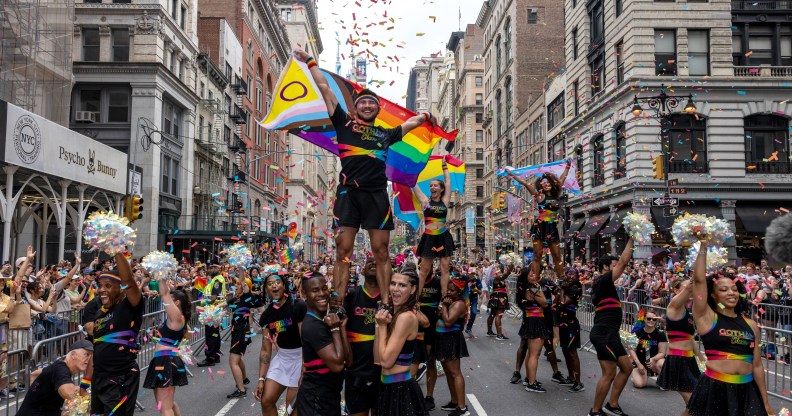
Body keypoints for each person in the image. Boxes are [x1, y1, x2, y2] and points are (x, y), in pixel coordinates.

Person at [292, 47, 439, 305]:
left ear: (377, 109)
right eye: (363, 102)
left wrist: (427, 116)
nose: (368, 105)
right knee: (343, 253)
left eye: (372, 103)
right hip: (348, 195)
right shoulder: (343, 122)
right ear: (356, 107)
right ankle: (336, 306)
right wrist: (310, 61)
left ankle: (387, 304)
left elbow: (412, 123)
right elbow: (325, 87)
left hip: (376, 196)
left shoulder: (386, 134)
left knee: (382, 253)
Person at [688, 238, 774, 416]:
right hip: (714, 388)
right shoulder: (706, 317)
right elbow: (698, 282)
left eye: (734, 289)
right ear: (713, 295)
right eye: (724, 289)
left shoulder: (751, 324)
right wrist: (703, 246)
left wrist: (765, 402)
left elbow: (757, 365)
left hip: (746, 391)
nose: (731, 293)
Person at [90, 253, 144, 416]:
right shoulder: (100, 312)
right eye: (100, 285)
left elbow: (128, 280)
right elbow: (96, 348)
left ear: (120, 288)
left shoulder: (131, 305)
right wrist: (85, 383)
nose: (101, 290)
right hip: (99, 378)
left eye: (108, 286)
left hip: (121, 377)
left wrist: (117, 249)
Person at [587, 239, 634, 416]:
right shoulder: (602, 280)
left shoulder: (605, 284)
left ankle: (612, 404)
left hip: (611, 333)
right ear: (606, 267)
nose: (619, 269)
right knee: (609, 373)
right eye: (614, 266)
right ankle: (595, 410)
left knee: (627, 368)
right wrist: (632, 238)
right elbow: (623, 262)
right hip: (603, 333)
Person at [295, 272, 351, 415]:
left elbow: (349, 361)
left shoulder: (325, 321)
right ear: (304, 294)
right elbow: (338, 366)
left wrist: (341, 326)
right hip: (315, 402)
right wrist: (335, 329)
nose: (322, 293)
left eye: (324, 288)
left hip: (328, 398)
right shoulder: (314, 326)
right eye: (315, 290)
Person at [374, 263, 426, 416]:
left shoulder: (406, 317)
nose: (395, 289)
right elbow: (377, 358)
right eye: (393, 283)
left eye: (402, 285)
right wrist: (379, 325)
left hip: (400, 391)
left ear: (413, 289)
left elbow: (386, 362)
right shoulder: (396, 314)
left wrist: (382, 326)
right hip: (388, 387)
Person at [506, 162, 571, 280]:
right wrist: (512, 175)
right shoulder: (539, 196)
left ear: (552, 184)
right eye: (543, 183)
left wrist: (567, 167)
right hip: (540, 226)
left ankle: (561, 279)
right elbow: (525, 183)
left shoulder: (557, 195)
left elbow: (562, 179)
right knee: (538, 256)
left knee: (557, 255)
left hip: (552, 227)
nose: (546, 185)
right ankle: (534, 279)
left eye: (548, 183)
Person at [254, 273, 307, 416]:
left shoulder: (297, 305)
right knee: (266, 400)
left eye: (277, 282)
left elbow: (306, 340)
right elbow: (266, 350)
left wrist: (304, 367)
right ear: (266, 289)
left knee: (292, 408)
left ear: (284, 285)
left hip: (301, 357)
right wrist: (261, 379)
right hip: (282, 359)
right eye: (270, 284)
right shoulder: (266, 316)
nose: (274, 286)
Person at [143, 279, 192, 416]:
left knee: (165, 408)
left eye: (171, 299)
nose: (167, 301)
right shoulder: (180, 318)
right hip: (165, 360)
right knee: (167, 404)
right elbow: (187, 336)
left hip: (165, 361)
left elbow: (164, 293)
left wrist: (161, 275)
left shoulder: (177, 317)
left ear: (176, 303)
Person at [657, 278, 702, 415]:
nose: (691, 289)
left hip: (689, 360)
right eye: (687, 286)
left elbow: (690, 339)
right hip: (678, 360)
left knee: (694, 405)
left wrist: (700, 357)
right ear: (676, 290)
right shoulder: (674, 306)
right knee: (695, 405)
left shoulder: (686, 311)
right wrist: (697, 275)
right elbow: (690, 288)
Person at [343, 258, 382, 416]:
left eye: (377, 262)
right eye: (369, 262)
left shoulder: (391, 298)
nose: (373, 264)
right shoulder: (351, 295)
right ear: (362, 270)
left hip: (384, 373)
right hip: (356, 373)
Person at [413, 157, 454, 297]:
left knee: (445, 268)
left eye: (435, 185)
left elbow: (448, 182)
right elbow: (413, 184)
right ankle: (416, 299)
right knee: (424, 270)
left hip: (443, 237)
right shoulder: (425, 201)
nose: (432, 187)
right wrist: (415, 168)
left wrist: (444, 166)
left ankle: (444, 297)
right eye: (430, 186)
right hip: (429, 237)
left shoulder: (445, 201)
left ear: (441, 189)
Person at [17, 340, 93, 415]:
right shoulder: (60, 369)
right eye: (86, 354)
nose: (90, 360)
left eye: (92, 357)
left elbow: (35, 373)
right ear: (73, 355)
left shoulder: (58, 367)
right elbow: (70, 393)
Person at [435, 273, 470, 416]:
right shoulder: (451, 302)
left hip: (451, 338)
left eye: (452, 290)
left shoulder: (459, 304)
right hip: (443, 338)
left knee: (455, 373)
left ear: (460, 291)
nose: (448, 292)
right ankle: (454, 401)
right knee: (449, 373)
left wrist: (443, 305)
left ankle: (462, 408)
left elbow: (448, 321)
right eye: (448, 289)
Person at [225, 272, 259, 398]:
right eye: (236, 284)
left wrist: (240, 268)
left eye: (239, 284)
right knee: (238, 357)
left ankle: (241, 390)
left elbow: (244, 285)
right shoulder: (236, 299)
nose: (237, 285)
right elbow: (223, 305)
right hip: (237, 330)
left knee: (233, 361)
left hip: (241, 331)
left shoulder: (247, 297)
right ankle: (244, 380)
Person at [413, 260, 441, 411]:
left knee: (431, 361)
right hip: (414, 328)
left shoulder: (438, 282)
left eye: (429, 266)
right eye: (424, 265)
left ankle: (429, 396)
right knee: (413, 361)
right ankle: (410, 396)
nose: (427, 268)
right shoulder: (415, 283)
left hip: (432, 329)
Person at [558, 268, 584, 392]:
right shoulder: (567, 287)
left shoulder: (576, 288)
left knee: (572, 352)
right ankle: (571, 377)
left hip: (571, 323)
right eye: (569, 274)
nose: (571, 276)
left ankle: (578, 382)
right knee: (565, 350)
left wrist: (562, 289)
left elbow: (563, 302)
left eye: (574, 274)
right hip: (563, 323)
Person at [629, 308, 667, 388]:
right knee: (640, 385)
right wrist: (638, 364)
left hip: (655, 362)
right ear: (644, 319)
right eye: (649, 318)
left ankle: (660, 379)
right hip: (640, 362)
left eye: (654, 319)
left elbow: (662, 353)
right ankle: (635, 375)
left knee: (662, 363)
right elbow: (632, 350)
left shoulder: (660, 334)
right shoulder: (637, 332)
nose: (651, 321)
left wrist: (653, 359)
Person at [198, 264, 225, 367]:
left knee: (211, 335)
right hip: (214, 311)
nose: (209, 269)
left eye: (212, 267)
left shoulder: (217, 280)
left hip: (212, 311)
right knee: (215, 334)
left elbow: (213, 297)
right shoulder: (216, 279)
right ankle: (215, 355)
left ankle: (210, 357)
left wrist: (204, 302)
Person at [486, 265, 511, 340]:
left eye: (500, 271)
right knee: (498, 315)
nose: (499, 272)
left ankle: (490, 331)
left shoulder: (496, 279)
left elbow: (503, 278)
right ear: (494, 273)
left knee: (493, 314)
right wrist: (508, 272)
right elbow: (503, 277)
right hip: (499, 297)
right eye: (497, 271)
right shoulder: (496, 278)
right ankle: (499, 335)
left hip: (496, 296)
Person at [464, 272, 482, 337]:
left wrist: (475, 289)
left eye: (473, 273)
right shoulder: (465, 278)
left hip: (474, 298)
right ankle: (458, 329)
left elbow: (480, 292)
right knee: (462, 314)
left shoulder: (477, 280)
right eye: (470, 273)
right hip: (465, 298)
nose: (472, 275)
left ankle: (468, 328)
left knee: (474, 313)